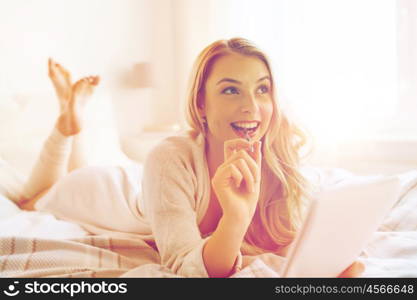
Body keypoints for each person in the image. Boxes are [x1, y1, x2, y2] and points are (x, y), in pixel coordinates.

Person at [18, 39, 364, 278]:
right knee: (33, 199)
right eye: (230, 89)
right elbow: (186, 267)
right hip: (106, 193)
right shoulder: (169, 157)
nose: (251, 106)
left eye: (262, 89)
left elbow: (296, 244)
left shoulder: (276, 157)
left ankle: (72, 120)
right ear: (201, 103)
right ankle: (65, 127)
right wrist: (235, 217)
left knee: (72, 173)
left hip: (143, 189)